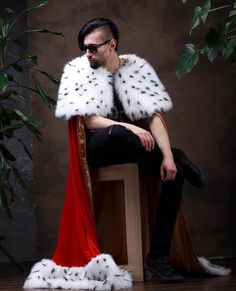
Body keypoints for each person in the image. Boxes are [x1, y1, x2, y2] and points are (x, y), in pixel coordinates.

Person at [24, 18, 230, 290]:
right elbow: (90, 121)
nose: (87, 54)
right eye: (83, 48)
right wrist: (127, 126)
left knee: (174, 175)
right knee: (120, 134)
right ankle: (181, 157)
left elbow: (154, 117)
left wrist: (167, 157)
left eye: (93, 48)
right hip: (99, 148)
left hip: (136, 151)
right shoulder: (78, 71)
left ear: (112, 44)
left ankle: (158, 256)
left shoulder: (137, 69)